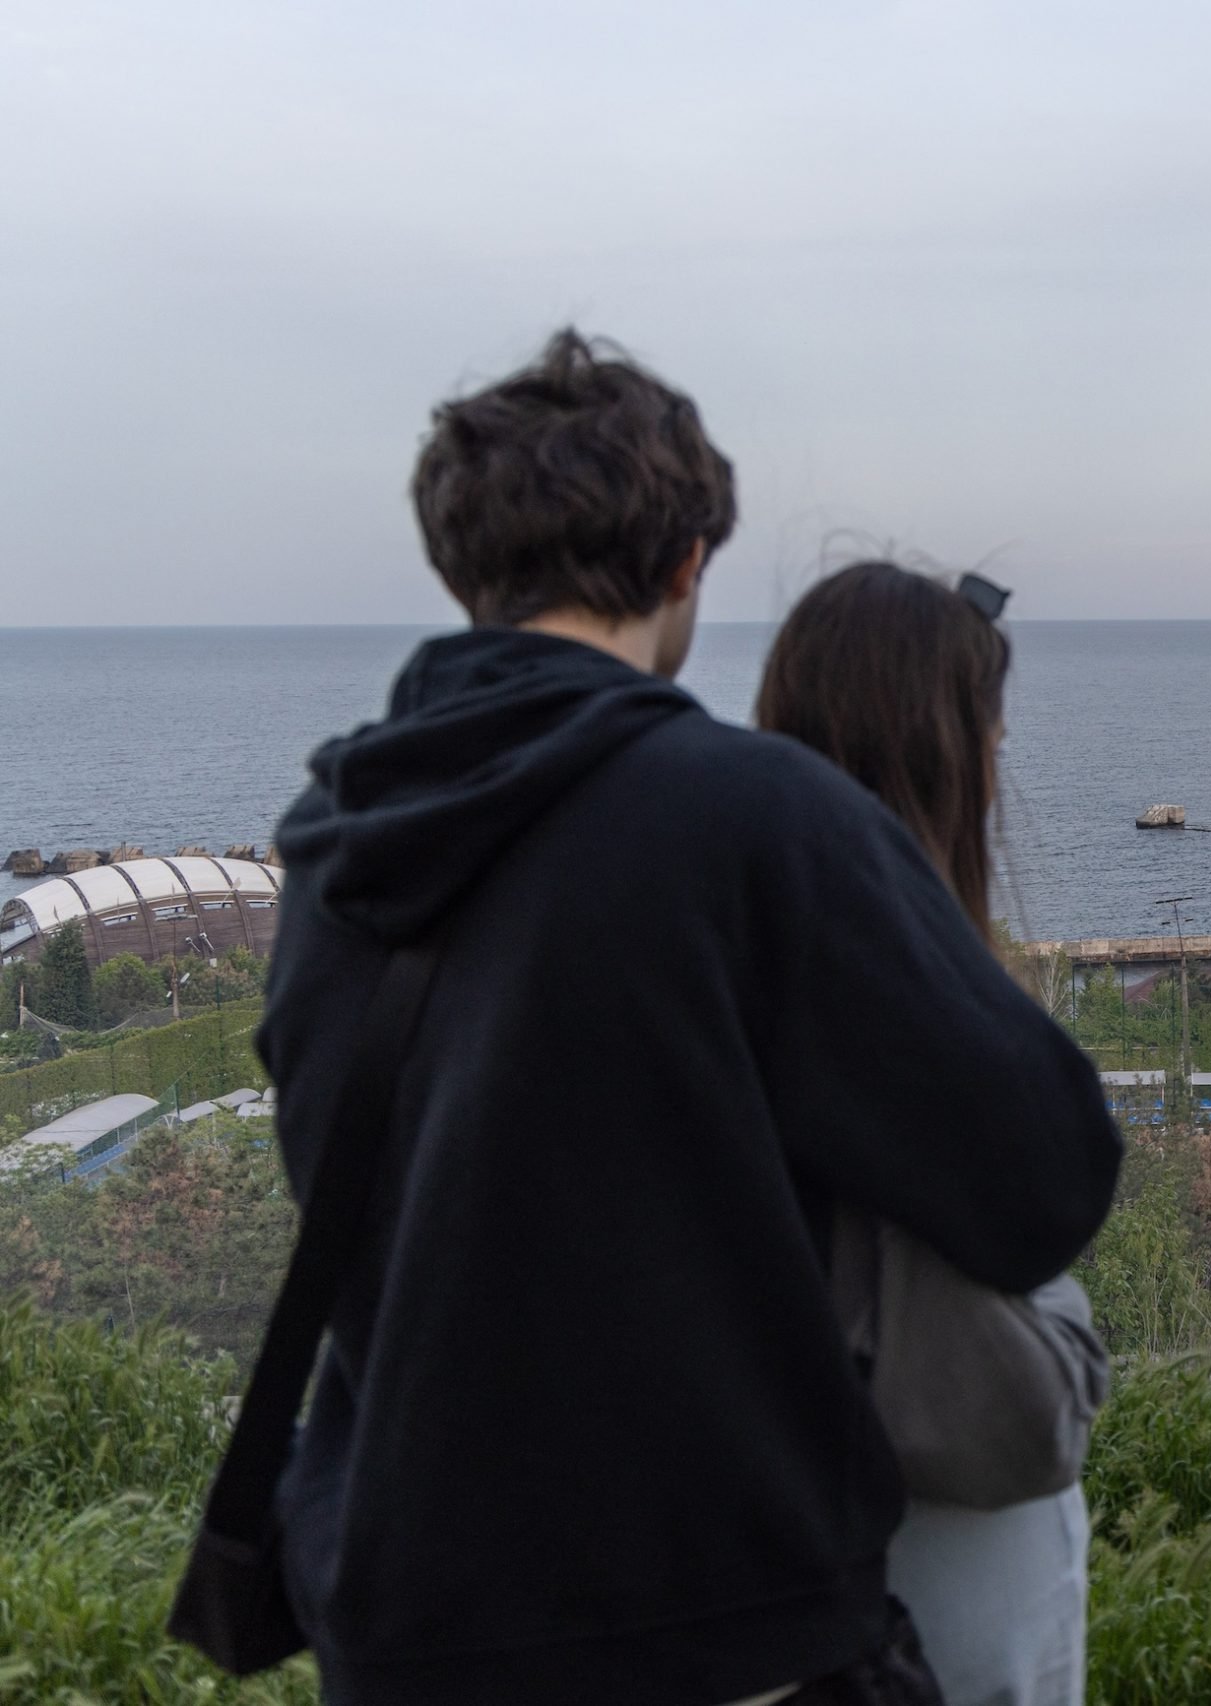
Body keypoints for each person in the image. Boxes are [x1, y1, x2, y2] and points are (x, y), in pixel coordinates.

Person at [254, 330, 1121, 1705]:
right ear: (684, 567)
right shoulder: (748, 818)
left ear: (463, 568)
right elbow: (1045, 1179)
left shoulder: (331, 854)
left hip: (416, 1632)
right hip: (715, 1633)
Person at [756, 561, 1098, 1706]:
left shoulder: (707, 987)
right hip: (942, 1606)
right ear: (956, 760)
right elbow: (1026, 1410)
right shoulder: (927, 1034)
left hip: (763, 1594)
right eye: (991, 738)